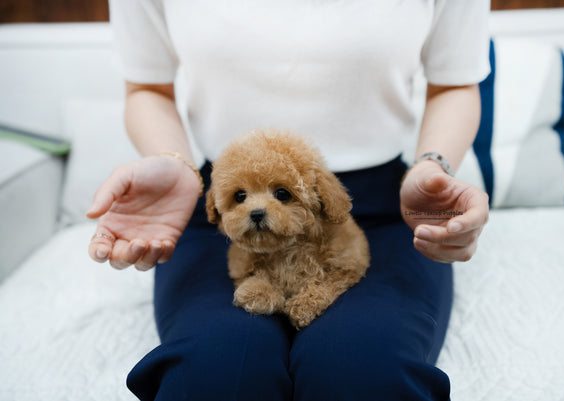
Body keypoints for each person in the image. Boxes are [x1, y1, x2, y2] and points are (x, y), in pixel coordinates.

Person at [87, 1, 490, 400]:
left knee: (364, 376)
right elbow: (147, 87)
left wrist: (432, 167)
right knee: (215, 376)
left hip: (379, 212)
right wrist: (173, 163)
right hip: (226, 217)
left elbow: (454, 81)